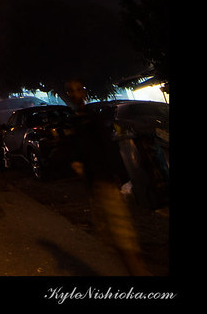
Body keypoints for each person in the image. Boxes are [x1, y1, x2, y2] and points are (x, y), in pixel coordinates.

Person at [65, 79, 149, 276]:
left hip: (104, 181)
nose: (74, 94)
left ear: (84, 92)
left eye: (77, 90)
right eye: (70, 91)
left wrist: (117, 176)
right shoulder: (77, 120)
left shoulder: (91, 119)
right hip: (94, 183)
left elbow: (105, 148)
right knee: (114, 238)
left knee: (121, 237)